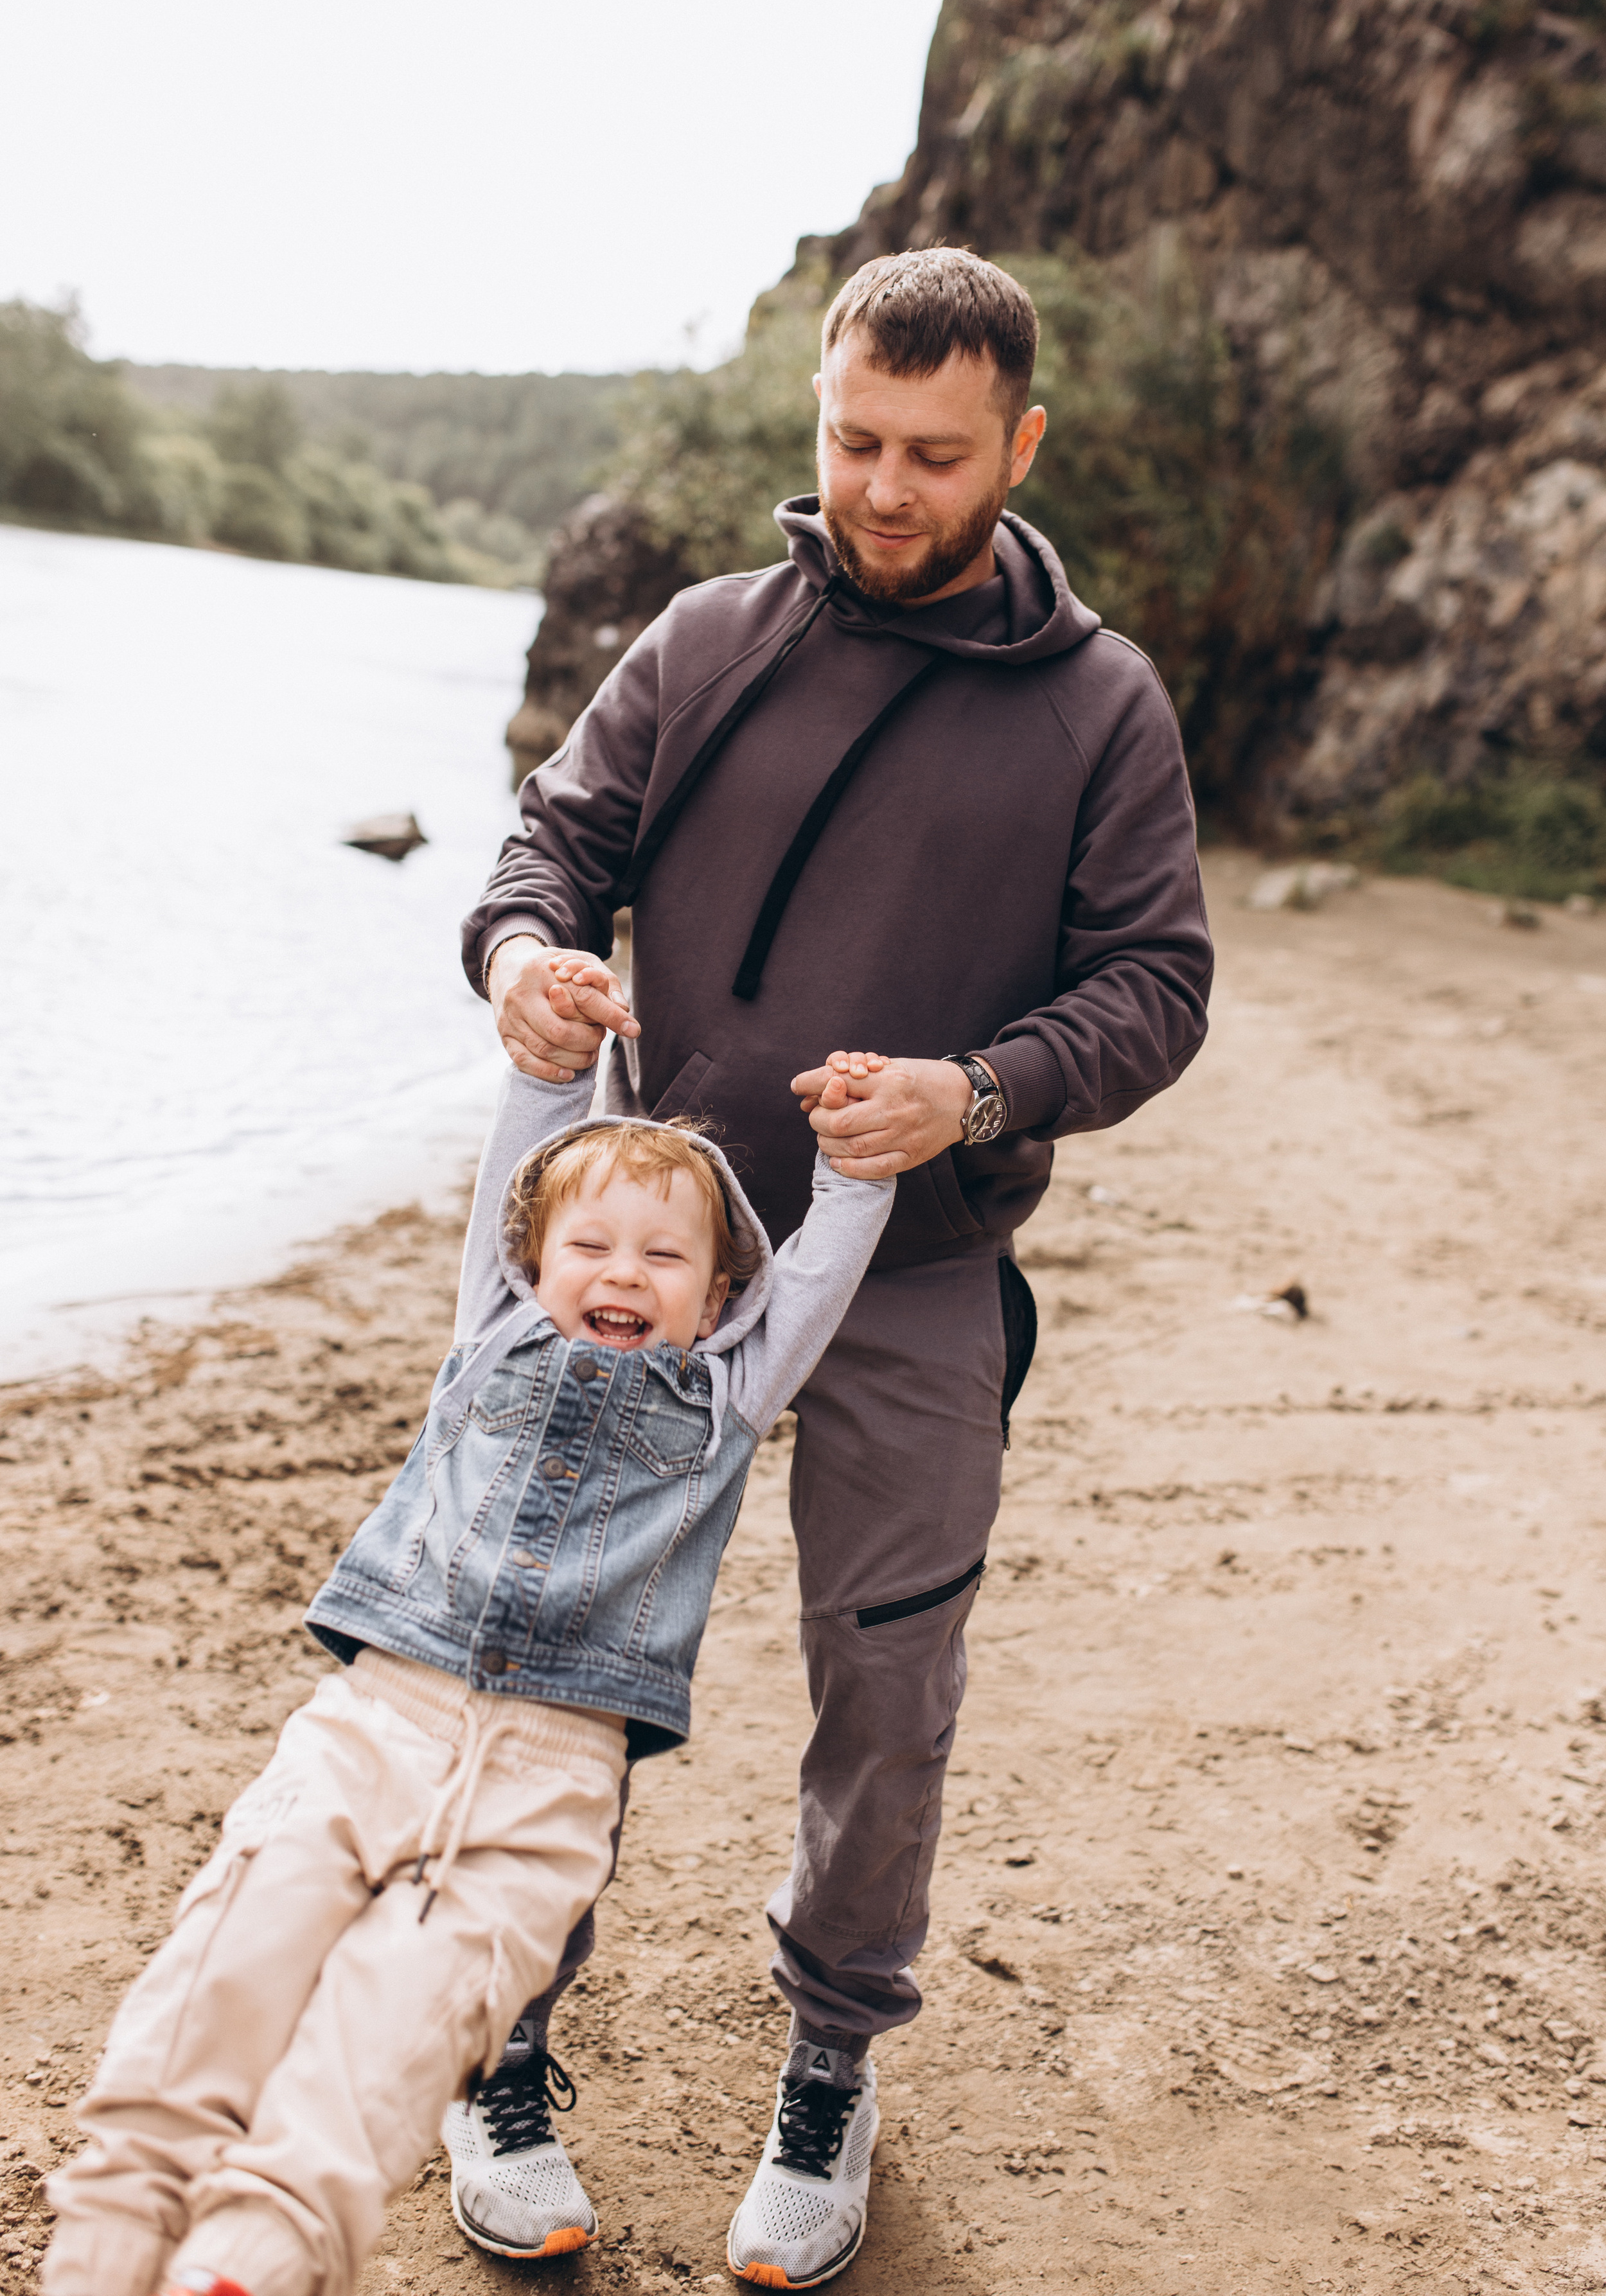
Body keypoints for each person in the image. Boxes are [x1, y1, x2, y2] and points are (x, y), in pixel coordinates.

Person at [459, 247, 1215, 2287]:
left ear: (1020, 447)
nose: (886, 487)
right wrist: (527, 962)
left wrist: (976, 1094)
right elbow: (547, 852)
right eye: (856, 440)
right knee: (552, 1667)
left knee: (887, 1692)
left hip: (919, 1283)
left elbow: (1160, 990)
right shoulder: (707, 639)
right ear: (821, 411)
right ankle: (504, 2045)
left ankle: (829, 2075)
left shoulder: (1100, 705)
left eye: (936, 455)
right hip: (648, 1272)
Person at [42, 998, 896, 2296]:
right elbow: (527, 1154)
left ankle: (252, 2263)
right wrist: (542, 1069)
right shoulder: (491, 1329)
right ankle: (106, 2250)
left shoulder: (732, 1390)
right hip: (377, 1722)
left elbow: (823, 1266)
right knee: (222, 1977)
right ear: (532, 1263)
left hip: (550, 1784)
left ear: (723, 1293)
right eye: (590, 1245)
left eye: (664, 1257)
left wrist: (853, 1164)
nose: (621, 1272)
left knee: (395, 2047)